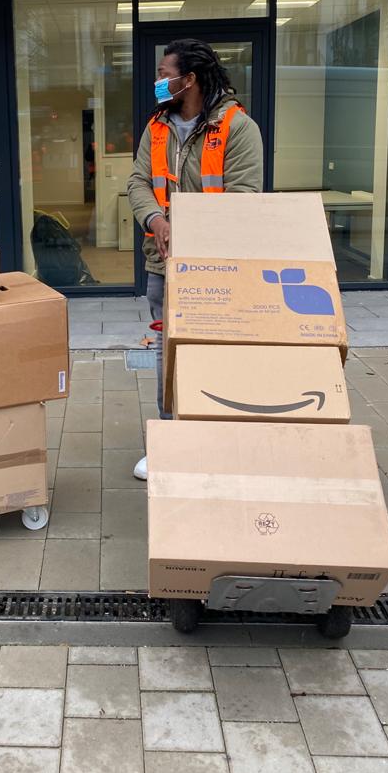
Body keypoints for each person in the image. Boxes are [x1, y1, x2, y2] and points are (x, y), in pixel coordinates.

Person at [127, 39, 263, 480]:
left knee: (214, 351)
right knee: (168, 353)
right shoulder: (157, 127)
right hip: (163, 264)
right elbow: (138, 182)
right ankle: (170, 442)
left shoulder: (238, 127)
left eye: (164, 73)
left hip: (218, 267)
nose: (158, 81)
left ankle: (217, 439)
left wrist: (187, 226)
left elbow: (244, 196)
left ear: (189, 79)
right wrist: (156, 220)